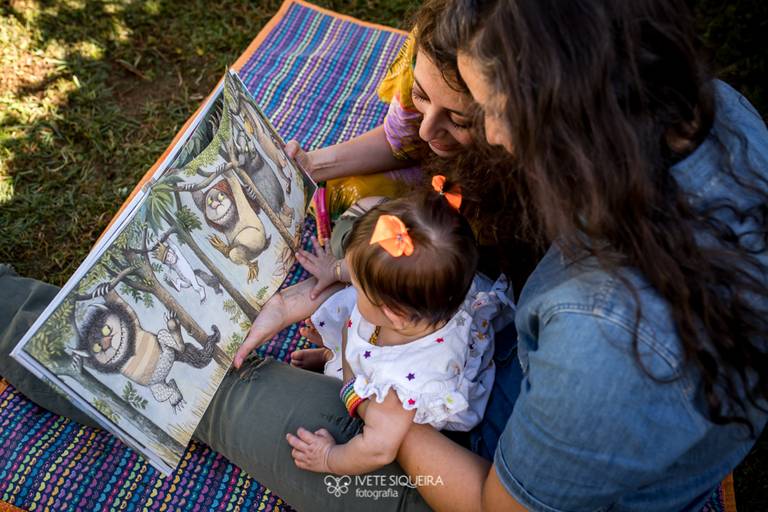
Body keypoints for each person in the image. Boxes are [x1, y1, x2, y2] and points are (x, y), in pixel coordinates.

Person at [277, 184, 512, 475]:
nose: (352, 283)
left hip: (402, 381)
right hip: (409, 331)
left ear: (392, 314)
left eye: (360, 287)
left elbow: (378, 448)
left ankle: (336, 361)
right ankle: (333, 353)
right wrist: (335, 270)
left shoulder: (398, 390)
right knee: (353, 309)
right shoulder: (431, 288)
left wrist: (328, 457)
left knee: (351, 351)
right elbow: (369, 270)